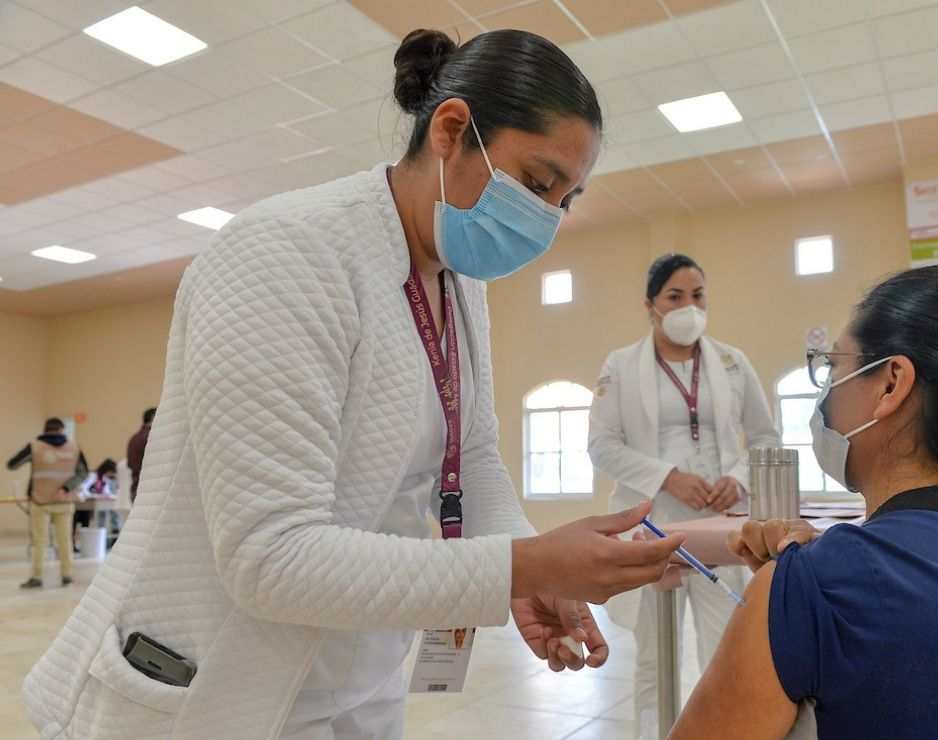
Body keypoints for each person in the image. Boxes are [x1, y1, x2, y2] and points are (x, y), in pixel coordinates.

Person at [23, 29, 685, 740]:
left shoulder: (456, 287)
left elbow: (474, 458)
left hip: (355, 679)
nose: (549, 216)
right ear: (452, 130)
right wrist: (515, 565)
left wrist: (531, 570)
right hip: (208, 690)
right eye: (537, 182)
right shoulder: (285, 253)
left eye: (568, 198)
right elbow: (270, 558)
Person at [670, 264, 938, 740]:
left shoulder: (816, 585)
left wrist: (790, 591)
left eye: (834, 366)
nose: (826, 391)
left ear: (890, 384)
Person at [588, 253, 780, 738]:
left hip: (723, 526)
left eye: (697, 296)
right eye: (675, 296)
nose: (688, 306)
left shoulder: (733, 362)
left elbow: (764, 437)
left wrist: (737, 477)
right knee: (655, 658)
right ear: (650, 304)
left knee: (728, 651)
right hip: (652, 522)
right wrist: (667, 476)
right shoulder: (621, 366)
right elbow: (602, 446)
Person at [7, 418, 88, 588]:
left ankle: (36, 577)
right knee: (65, 540)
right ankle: (67, 576)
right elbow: (83, 473)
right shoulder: (74, 447)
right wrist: (66, 488)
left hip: (39, 500)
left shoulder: (34, 447)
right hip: (64, 501)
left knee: (39, 541)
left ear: (45, 429)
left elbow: (12, 465)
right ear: (62, 430)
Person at [76, 458, 120, 546]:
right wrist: (95, 495)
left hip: (98, 503)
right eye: (111, 472)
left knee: (109, 515)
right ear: (107, 470)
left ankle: (103, 543)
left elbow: (106, 492)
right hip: (85, 503)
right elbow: (83, 488)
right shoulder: (93, 476)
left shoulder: (104, 479)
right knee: (88, 522)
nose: (111, 475)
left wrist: (110, 496)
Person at [125, 407, 154, 503]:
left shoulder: (134, 438)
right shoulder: (152, 437)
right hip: (150, 490)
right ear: (154, 418)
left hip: (136, 488)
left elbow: (130, 464)